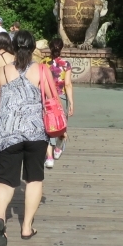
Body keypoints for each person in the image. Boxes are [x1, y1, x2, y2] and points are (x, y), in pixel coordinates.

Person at [0, 30, 49, 246]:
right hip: (36, 133)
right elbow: (51, 101)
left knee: (5, 180)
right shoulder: (41, 70)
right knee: (34, 179)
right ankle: (27, 227)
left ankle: (0, 218)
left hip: (8, 133)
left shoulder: (3, 71)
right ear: (33, 48)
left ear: (13, 47)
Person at [44, 37, 75, 169]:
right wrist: (71, 102)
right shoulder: (66, 64)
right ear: (61, 48)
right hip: (61, 98)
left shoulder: (43, 63)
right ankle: (57, 149)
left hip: (46, 98)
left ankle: (49, 158)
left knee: (48, 127)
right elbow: (67, 84)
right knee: (61, 125)